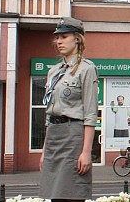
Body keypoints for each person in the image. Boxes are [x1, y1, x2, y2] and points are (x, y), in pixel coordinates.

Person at [39, 17, 99, 201]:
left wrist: (86, 151)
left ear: (77, 39)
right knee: (54, 196)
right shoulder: (54, 71)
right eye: (57, 38)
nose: (58, 42)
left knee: (73, 194)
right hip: (54, 137)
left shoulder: (87, 69)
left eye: (64, 37)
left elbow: (90, 114)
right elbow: (49, 114)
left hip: (73, 136)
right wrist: (43, 151)